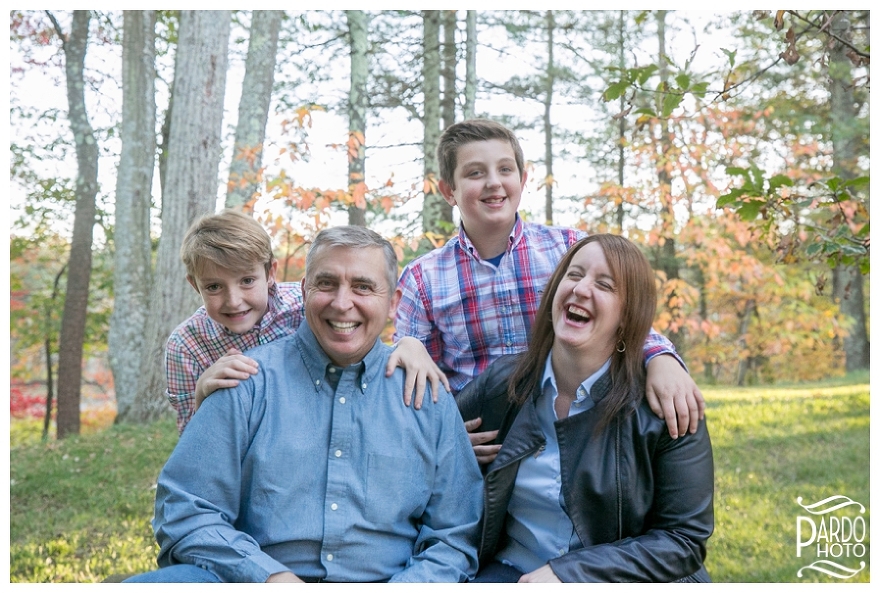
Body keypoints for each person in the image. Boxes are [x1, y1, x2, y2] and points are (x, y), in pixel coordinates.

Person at [125, 226, 483, 583]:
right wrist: (269, 577)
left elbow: (455, 537)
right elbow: (186, 511)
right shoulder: (242, 381)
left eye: (363, 286)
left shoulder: (426, 395)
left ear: (392, 303)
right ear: (304, 290)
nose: (342, 303)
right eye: (326, 284)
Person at [394, 118, 705, 463]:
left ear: (523, 180)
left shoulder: (570, 250)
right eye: (475, 173)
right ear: (448, 191)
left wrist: (660, 357)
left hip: (574, 430)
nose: (494, 183)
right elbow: (413, 389)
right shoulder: (422, 280)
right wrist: (443, 439)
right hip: (484, 453)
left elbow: (620, 315)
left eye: (505, 169)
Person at [457, 234, 714, 582]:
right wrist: (452, 451)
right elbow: (417, 442)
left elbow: (683, 541)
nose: (581, 290)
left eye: (604, 285)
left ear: (627, 316)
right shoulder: (503, 384)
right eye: (574, 275)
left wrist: (568, 574)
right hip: (513, 572)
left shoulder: (667, 404)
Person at [165, 209, 449, 435]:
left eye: (247, 281)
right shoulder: (187, 346)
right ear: (195, 286)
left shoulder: (303, 304)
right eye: (214, 287)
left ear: (270, 272)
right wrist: (202, 395)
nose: (234, 300)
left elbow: (355, 340)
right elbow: (192, 449)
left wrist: (408, 343)